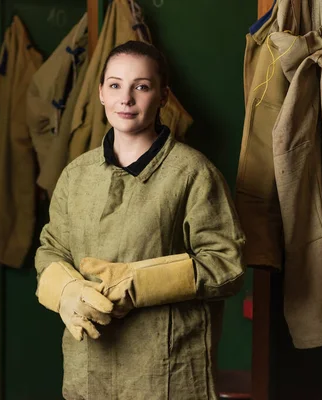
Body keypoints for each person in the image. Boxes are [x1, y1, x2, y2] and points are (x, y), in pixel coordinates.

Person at [35, 40, 246, 400]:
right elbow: (51, 249)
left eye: (142, 86)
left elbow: (226, 265)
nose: (126, 98)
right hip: (87, 369)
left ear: (163, 97)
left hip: (166, 372)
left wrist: (140, 284)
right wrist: (66, 290)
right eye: (115, 85)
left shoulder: (193, 173)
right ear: (101, 93)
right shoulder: (76, 175)